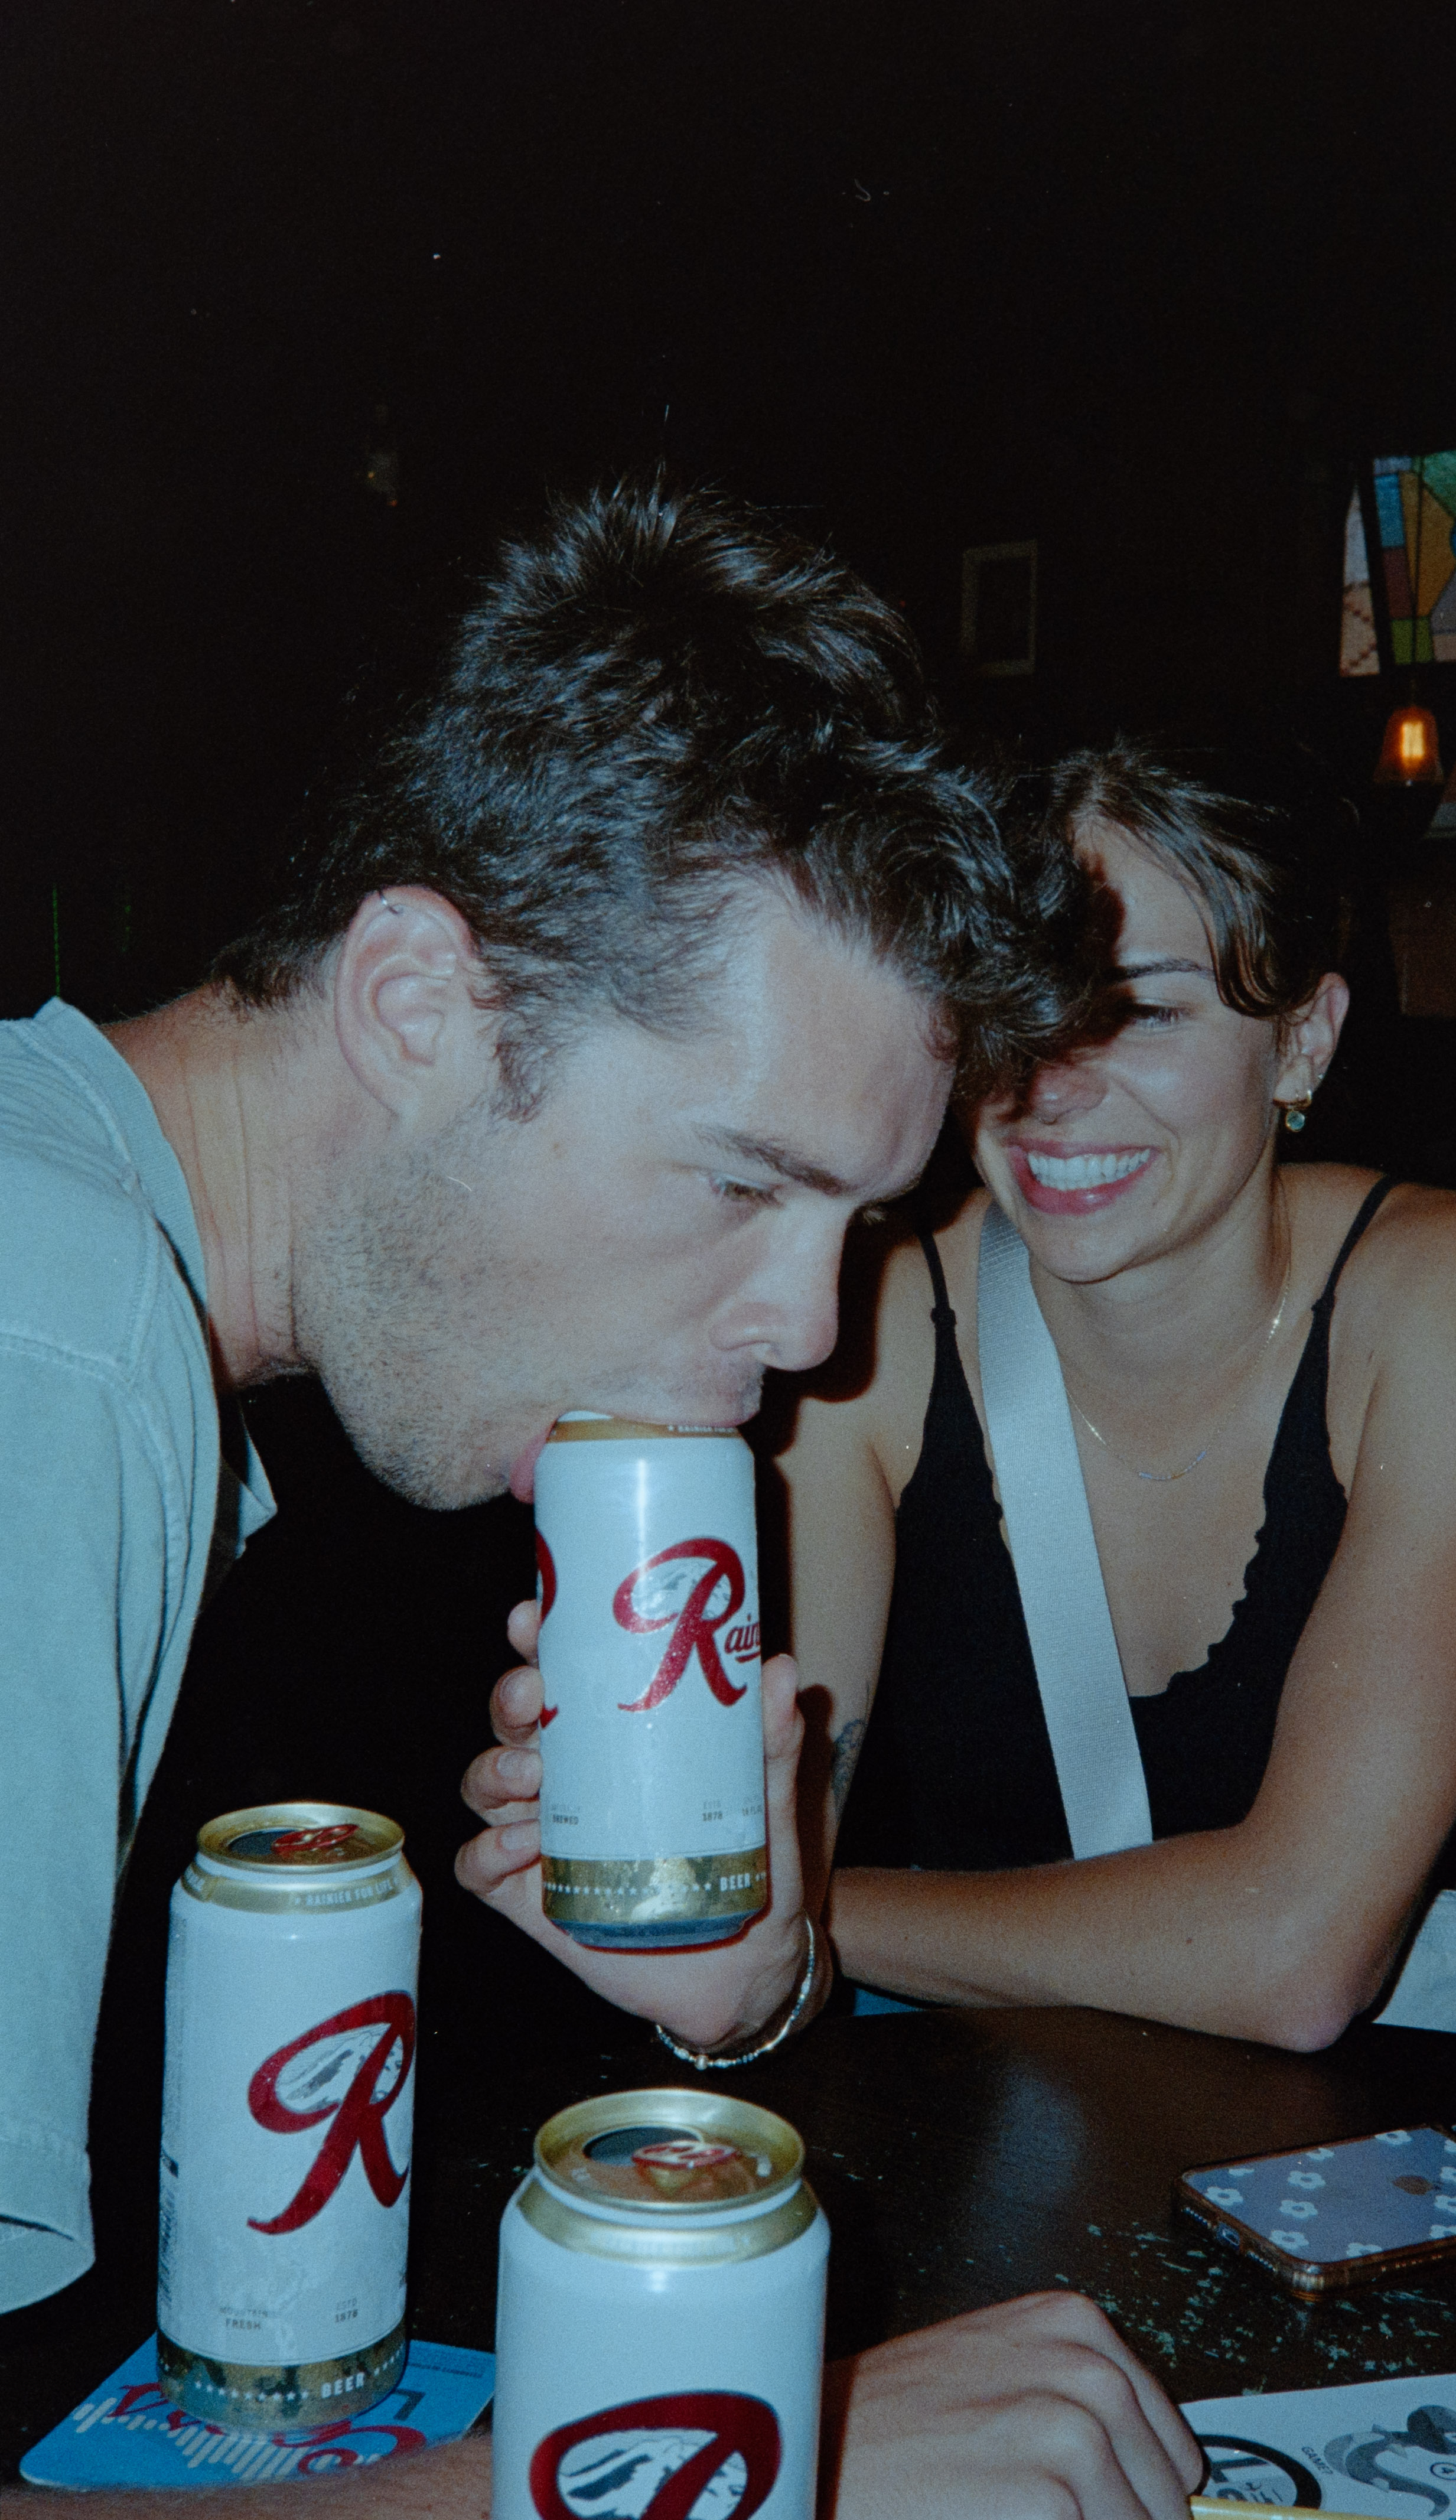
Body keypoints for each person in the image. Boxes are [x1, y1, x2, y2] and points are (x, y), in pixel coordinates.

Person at [0, 482, 1200, 2518]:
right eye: (736, 1180)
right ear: (415, 1004)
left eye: (853, 1225)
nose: (806, 1333)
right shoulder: (53, 1337)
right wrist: (734, 2463)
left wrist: (746, 1970)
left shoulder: (98, 1286)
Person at [757, 745, 1456, 2042]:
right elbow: (749, 1871)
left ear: (1300, 1040)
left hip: (1357, 2123)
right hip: (977, 2105)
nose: (1049, 1086)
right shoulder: (864, 1328)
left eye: (1142, 1012)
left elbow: (1302, 1958)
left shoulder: (1450, 1292)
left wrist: (799, 1925)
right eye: (1014, 1007)